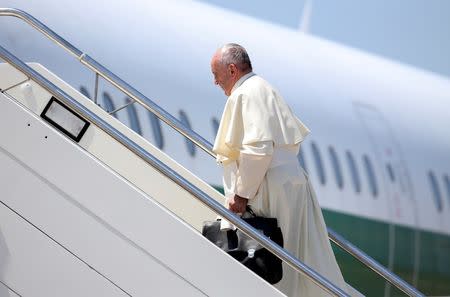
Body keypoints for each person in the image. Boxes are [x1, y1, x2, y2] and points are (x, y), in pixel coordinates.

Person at [211, 43, 357, 296]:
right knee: (300, 261)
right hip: (290, 183)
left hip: (269, 187)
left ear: (232, 69)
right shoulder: (264, 88)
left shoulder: (245, 92)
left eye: (216, 75)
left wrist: (241, 196)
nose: (215, 82)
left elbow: (258, 149)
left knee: (273, 265)